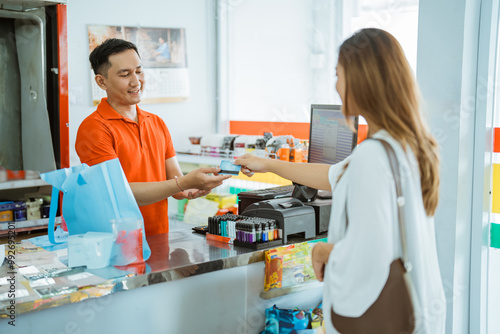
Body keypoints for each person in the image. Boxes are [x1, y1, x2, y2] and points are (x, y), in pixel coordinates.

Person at [234, 28, 446, 333]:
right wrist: (266, 163)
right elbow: (334, 175)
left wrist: (320, 251)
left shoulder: (373, 156)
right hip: (417, 308)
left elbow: (368, 251)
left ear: (362, 80)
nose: (335, 85)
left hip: (379, 317)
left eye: (338, 74)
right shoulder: (407, 145)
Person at [76, 38, 231, 236]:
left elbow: (174, 182)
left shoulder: (156, 122)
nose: (136, 81)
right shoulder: (94, 128)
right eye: (125, 74)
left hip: (157, 236)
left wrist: (190, 190)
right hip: (115, 242)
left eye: (139, 71)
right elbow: (118, 193)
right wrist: (182, 183)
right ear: (101, 81)